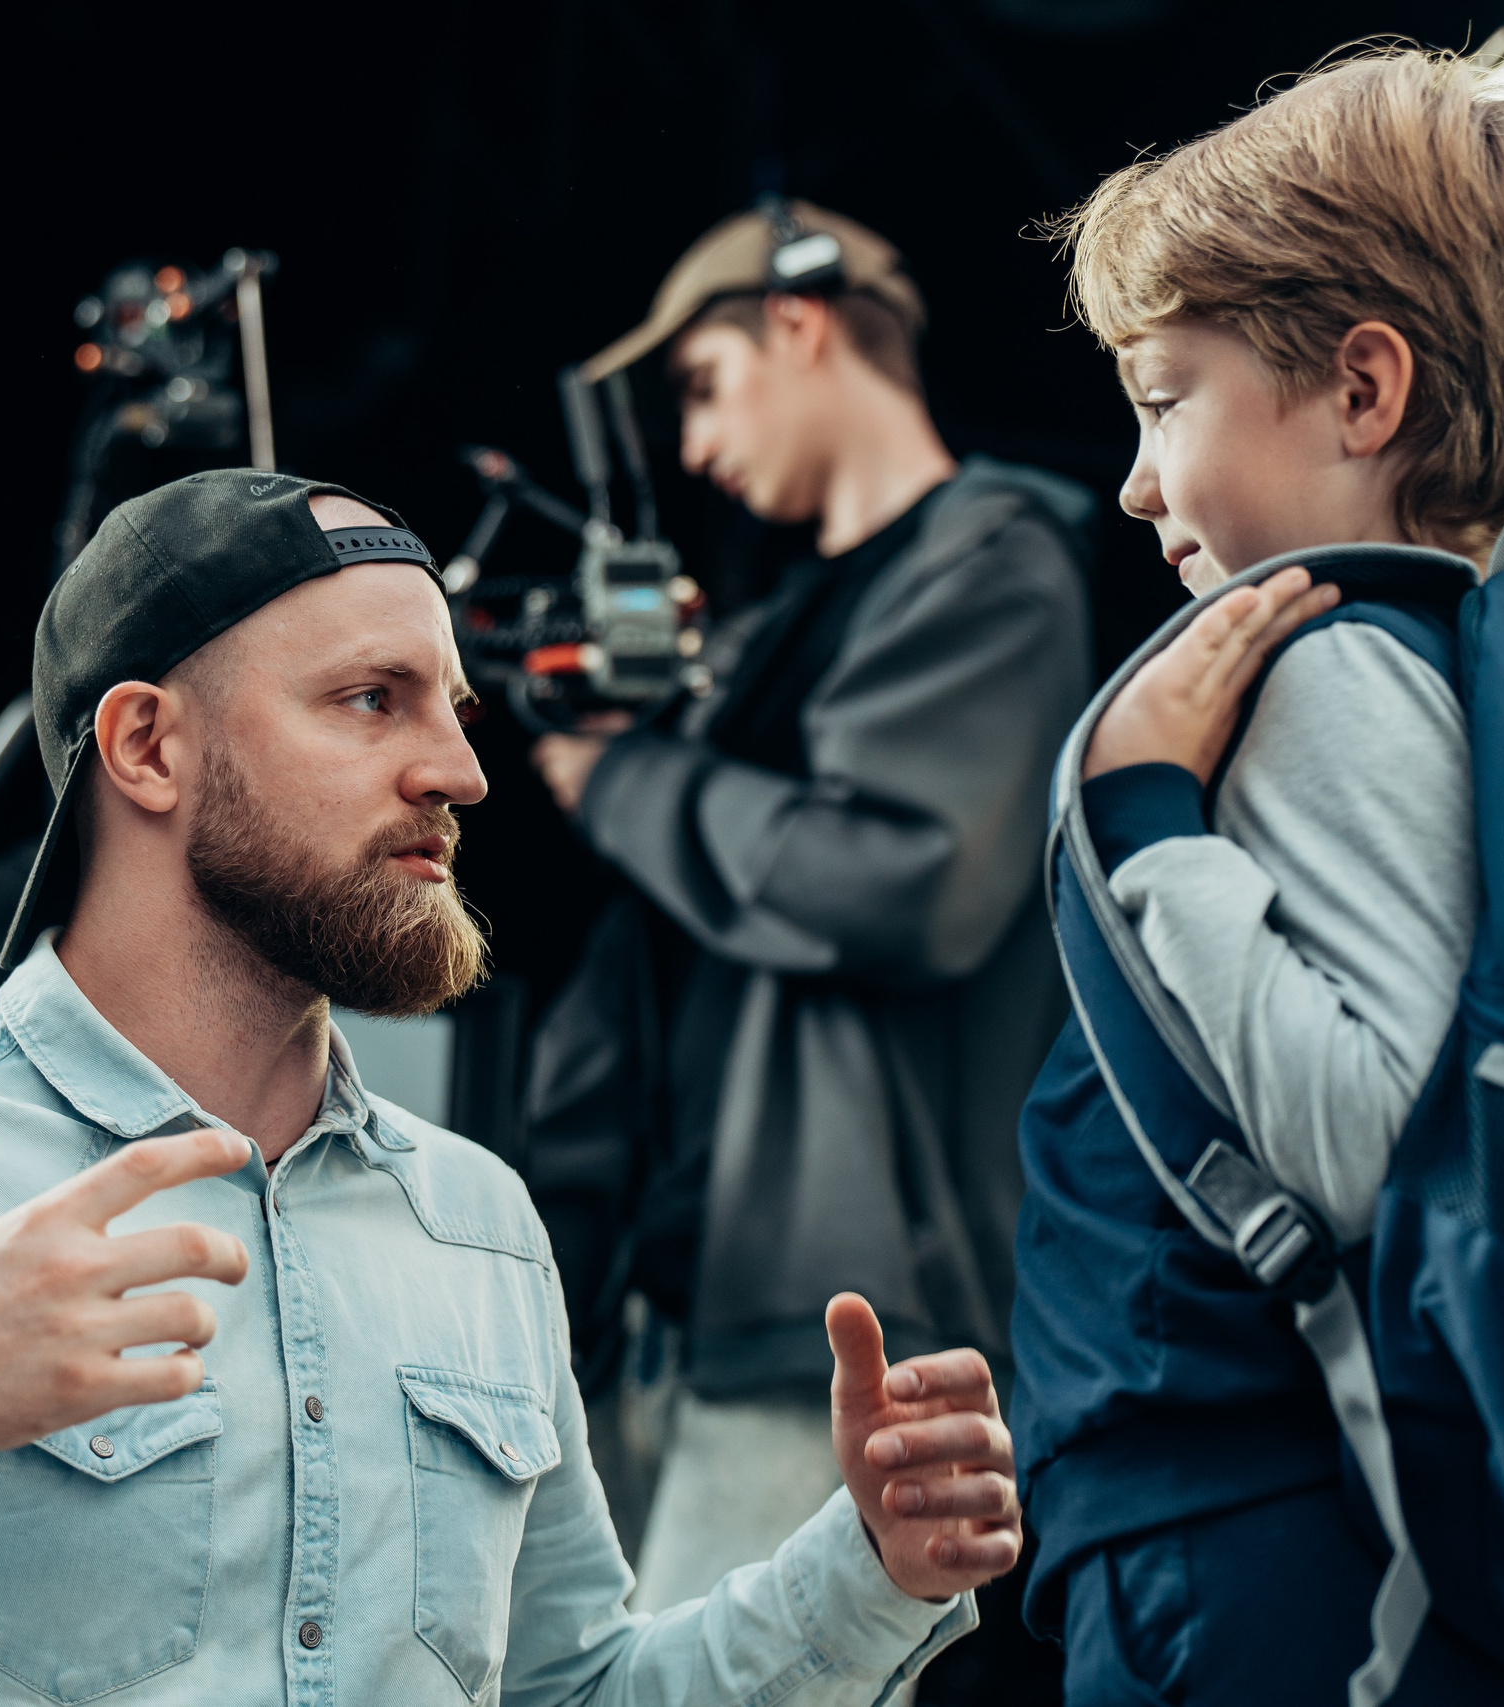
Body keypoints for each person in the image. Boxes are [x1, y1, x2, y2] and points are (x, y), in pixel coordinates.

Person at [0, 470, 1024, 1705]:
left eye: (453, 712)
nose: (461, 772)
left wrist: (872, 1572)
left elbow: (569, 1691)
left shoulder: (477, 1224)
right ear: (144, 746)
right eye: (370, 700)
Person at [1007, 50, 1504, 1706]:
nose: (1135, 483)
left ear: (1365, 392)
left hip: (1257, 1571)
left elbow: (1375, 1151)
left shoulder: (1325, 663)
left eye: (1165, 397)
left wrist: (1147, 827)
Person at [522, 200, 1094, 1634]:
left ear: (800, 322)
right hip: (678, 1324)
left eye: (704, 388)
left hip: (840, 1341)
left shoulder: (991, 558)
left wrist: (622, 781)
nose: (698, 445)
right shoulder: (779, 629)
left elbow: (902, 881)